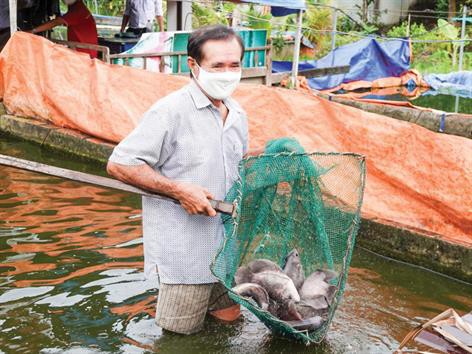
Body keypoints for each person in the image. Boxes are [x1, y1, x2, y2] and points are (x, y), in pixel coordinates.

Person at [107, 25, 248, 334]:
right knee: (178, 338)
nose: (227, 73)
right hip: (186, 256)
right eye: (217, 66)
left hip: (225, 252)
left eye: (234, 65)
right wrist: (178, 190)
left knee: (229, 323)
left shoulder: (237, 114)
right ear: (193, 66)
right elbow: (120, 163)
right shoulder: (170, 112)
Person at [30, 0, 98, 58]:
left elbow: (56, 22)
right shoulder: (76, 7)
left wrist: (33, 31)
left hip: (85, 53)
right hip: (81, 49)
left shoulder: (78, 10)